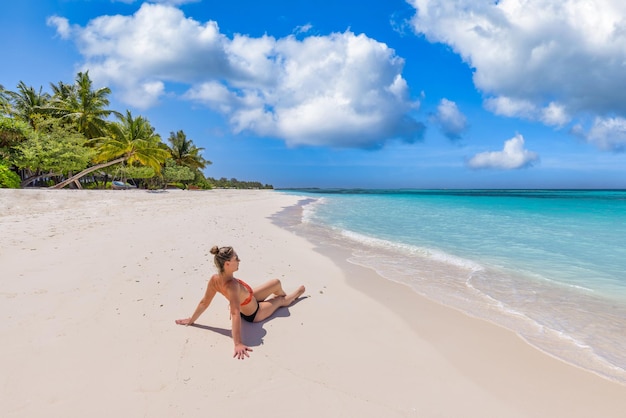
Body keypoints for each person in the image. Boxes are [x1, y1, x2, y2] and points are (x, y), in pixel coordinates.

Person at [175, 245, 306, 359]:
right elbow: (235, 313)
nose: (239, 260)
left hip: (249, 297)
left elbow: (204, 302)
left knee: (276, 282)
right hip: (254, 313)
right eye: (236, 259)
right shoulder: (231, 286)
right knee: (280, 300)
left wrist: (192, 320)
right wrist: (237, 343)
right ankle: (293, 296)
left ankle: (282, 293)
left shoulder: (215, 279)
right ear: (227, 264)